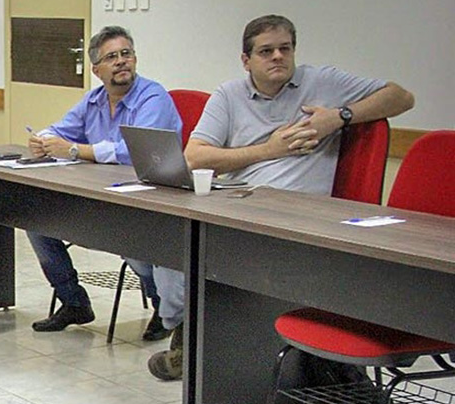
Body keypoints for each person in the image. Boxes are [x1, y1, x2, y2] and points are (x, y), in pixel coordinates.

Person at [143, 14, 416, 381]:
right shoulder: (229, 95)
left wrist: (340, 116)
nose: (277, 57)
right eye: (266, 51)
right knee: (173, 245)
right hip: (235, 202)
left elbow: (402, 96)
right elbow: (194, 157)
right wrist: (267, 150)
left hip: (296, 213)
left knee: (213, 257)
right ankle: (188, 332)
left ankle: (197, 343)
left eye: (284, 49)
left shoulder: (323, 82)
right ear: (246, 61)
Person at [25, 26, 182, 342]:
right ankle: (74, 302)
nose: (122, 62)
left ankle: (162, 310)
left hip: (150, 200)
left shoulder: (154, 97)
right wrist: (41, 140)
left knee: (134, 240)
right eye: (112, 57)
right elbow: (60, 129)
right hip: (103, 195)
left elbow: (136, 154)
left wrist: (74, 150)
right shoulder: (94, 100)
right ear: (97, 70)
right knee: (36, 221)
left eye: (127, 54)